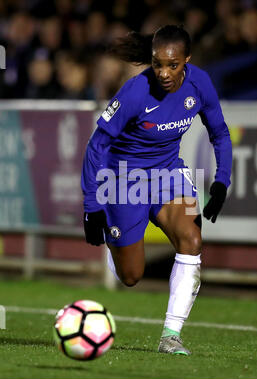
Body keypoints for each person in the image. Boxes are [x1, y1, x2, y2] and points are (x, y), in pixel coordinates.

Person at [81, 25, 232, 355]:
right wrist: (92, 206)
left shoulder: (200, 84)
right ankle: (115, 240)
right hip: (122, 180)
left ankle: (171, 335)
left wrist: (222, 181)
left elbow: (219, 133)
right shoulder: (135, 92)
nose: (164, 72)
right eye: (157, 64)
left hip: (167, 173)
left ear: (186, 61)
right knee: (132, 276)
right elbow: (96, 146)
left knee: (191, 237)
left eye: (172, 65)